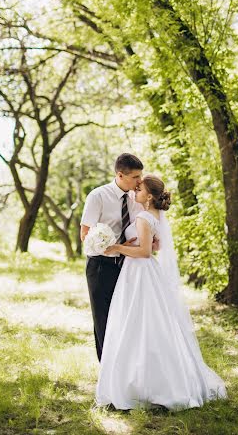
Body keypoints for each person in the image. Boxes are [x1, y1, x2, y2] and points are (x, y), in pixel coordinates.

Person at [96, 174, 227, 410]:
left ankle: (142, 385)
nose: (135, 192)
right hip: (145, 272)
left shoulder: (144, 217)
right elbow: (156, 246)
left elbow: (145, 252)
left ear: (148, 196)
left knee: (137, 322)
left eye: (139, 190)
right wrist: (136, 243)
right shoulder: (153, 216)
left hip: (138, 272)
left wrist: (117, 247)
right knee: (152, 323)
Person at [80, 153, 159, 361]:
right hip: (100, 266)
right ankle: (106, 369)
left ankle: (125, 368)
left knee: (125, 318)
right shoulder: (97, 196)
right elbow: (85, 235)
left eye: (140, 176)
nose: (139, 181)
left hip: (128, 268)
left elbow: (148, 231)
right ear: (120, 175)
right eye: (135, 177)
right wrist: (113, 247)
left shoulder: (137, 199)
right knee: (103, 319)